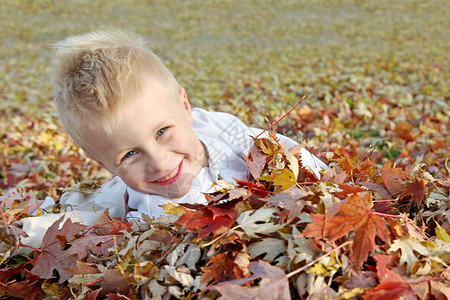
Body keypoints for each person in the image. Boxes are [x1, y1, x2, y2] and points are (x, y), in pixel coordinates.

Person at [18, 30, 328, 249]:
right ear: (103, 163)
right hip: (131, 194)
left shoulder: (223, 131)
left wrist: (322, 179)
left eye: (162, 132)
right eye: (129, 154)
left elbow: (278, 148)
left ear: (185, 107)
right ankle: (58, 215)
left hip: (200, 149)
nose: (159, 161)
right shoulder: (156, 214)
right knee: (98, 210)